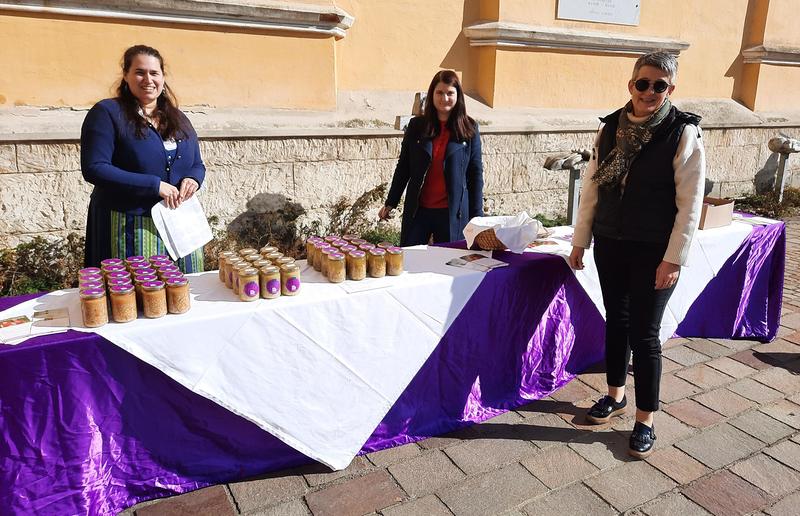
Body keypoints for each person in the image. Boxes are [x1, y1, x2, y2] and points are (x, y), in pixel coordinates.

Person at [568, 52, 705, 459]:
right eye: (642, 83)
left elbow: (690, 203)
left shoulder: (682, 132)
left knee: (645, 335)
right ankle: (615, 396)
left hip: (654, 249)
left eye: (658, 85)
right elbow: (592, 187)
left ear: (670, 89)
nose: (649, 91)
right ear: (631, 85)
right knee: (616, 321)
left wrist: (673, 258)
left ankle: (645, 419)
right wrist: (580, 240)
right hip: (611, 241)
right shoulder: (611, 127)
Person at [81, 44, 205, 271]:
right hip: (129, 223)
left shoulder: (178, 118)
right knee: (138, 289)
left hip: (179, 223)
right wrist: (154, 185)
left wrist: (193, 179)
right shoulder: (108, 113)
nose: (148, 79)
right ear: (126, 75)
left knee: (185, 286)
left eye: (154, 73)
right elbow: (95, 167)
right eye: (140, 72)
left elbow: (197, 164)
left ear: (163, 77)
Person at [379, 70, 484, 246]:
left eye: (450, 93)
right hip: (419, 211)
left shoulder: (469, 128)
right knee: (410, 258)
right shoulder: (417, 126)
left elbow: (475, 174)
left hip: (452, 213)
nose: (444, 98)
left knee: (449, 260)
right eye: (439, 92)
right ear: (432, 94)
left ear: (458, 96)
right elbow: (403, 166)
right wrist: (391, 201)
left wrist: (478, 216)